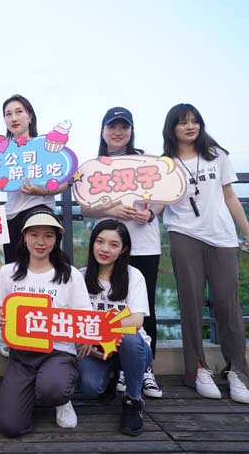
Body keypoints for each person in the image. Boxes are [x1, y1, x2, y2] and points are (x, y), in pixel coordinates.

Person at [161, 103, 249, 404]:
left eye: (195, 121)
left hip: (222, 236)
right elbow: (159, 201)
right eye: (183, 122)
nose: (190, 127)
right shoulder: (166, 164)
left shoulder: (217, 155)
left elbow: (230, 196)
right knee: (190, 305)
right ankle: (197, 370)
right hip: (183, 234)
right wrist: (143, 211)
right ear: (172, 128)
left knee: (228, 306)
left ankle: (237, 371)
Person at [0, 94, 70, 358]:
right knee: (16, 274)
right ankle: (16, 333)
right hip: (12, 216)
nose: (13, 118)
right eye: (8, 114)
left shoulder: (46, 146)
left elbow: (64, 180)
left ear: (30, 116)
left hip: (40, 212)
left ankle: (49, 332)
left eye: (19, 112)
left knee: (47, 272)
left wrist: (42, 191)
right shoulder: (3, 152)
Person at [79, 107, 163, 399]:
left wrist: (151, 214)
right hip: (107, 245)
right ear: (102, 131)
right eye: (112, 127)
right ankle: (112, 362)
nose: (118, 132)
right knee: (104, 302)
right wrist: (111, 209)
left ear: (131, 131)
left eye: (123, 127)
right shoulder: (95, 166)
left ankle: (143, 367)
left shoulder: (147, 160)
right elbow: (85, 208)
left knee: (143, 308)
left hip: (144, 245)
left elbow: (164, 195)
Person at [0, 206, 92, 437]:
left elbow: (84, 316)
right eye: (34, 234)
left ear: (56, 240)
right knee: (10, 426)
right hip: (21, 355)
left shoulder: (70, 274)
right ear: (24, 237)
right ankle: (32, 388)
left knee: (53, 388)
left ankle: (61, 398)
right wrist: (1, 315)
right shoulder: (8, 272)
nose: (41, 242)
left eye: (48, 235)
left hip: (59, 351)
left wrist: (86, 337)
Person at [77, 220, 154, 436]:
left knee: (128, 337)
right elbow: (74, 321)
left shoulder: (133, 276)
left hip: (132, 347)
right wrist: (87, 344)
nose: (104, 249)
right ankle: (111, 376)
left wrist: (98, 331)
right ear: (92, 243)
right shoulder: (80, 276)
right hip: (96, 349)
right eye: (100, 242)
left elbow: (136, 321)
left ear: (123, 249)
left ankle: (133, 399)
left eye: (113, 244)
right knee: (90, 387)